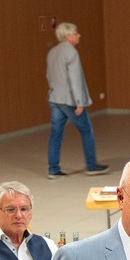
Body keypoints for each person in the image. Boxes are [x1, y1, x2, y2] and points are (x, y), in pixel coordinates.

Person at [45, 22, 107, 179]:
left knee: (56, 133)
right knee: (86, 130)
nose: (78, 35)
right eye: (76, 33)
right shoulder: (71, 52)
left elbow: (49, 75)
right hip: (69, 100)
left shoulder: (52, 51)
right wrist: (80, 102)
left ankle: (53, 169)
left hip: (55, 98)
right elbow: (75, 79)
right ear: (68, 36)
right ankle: (91, 165)